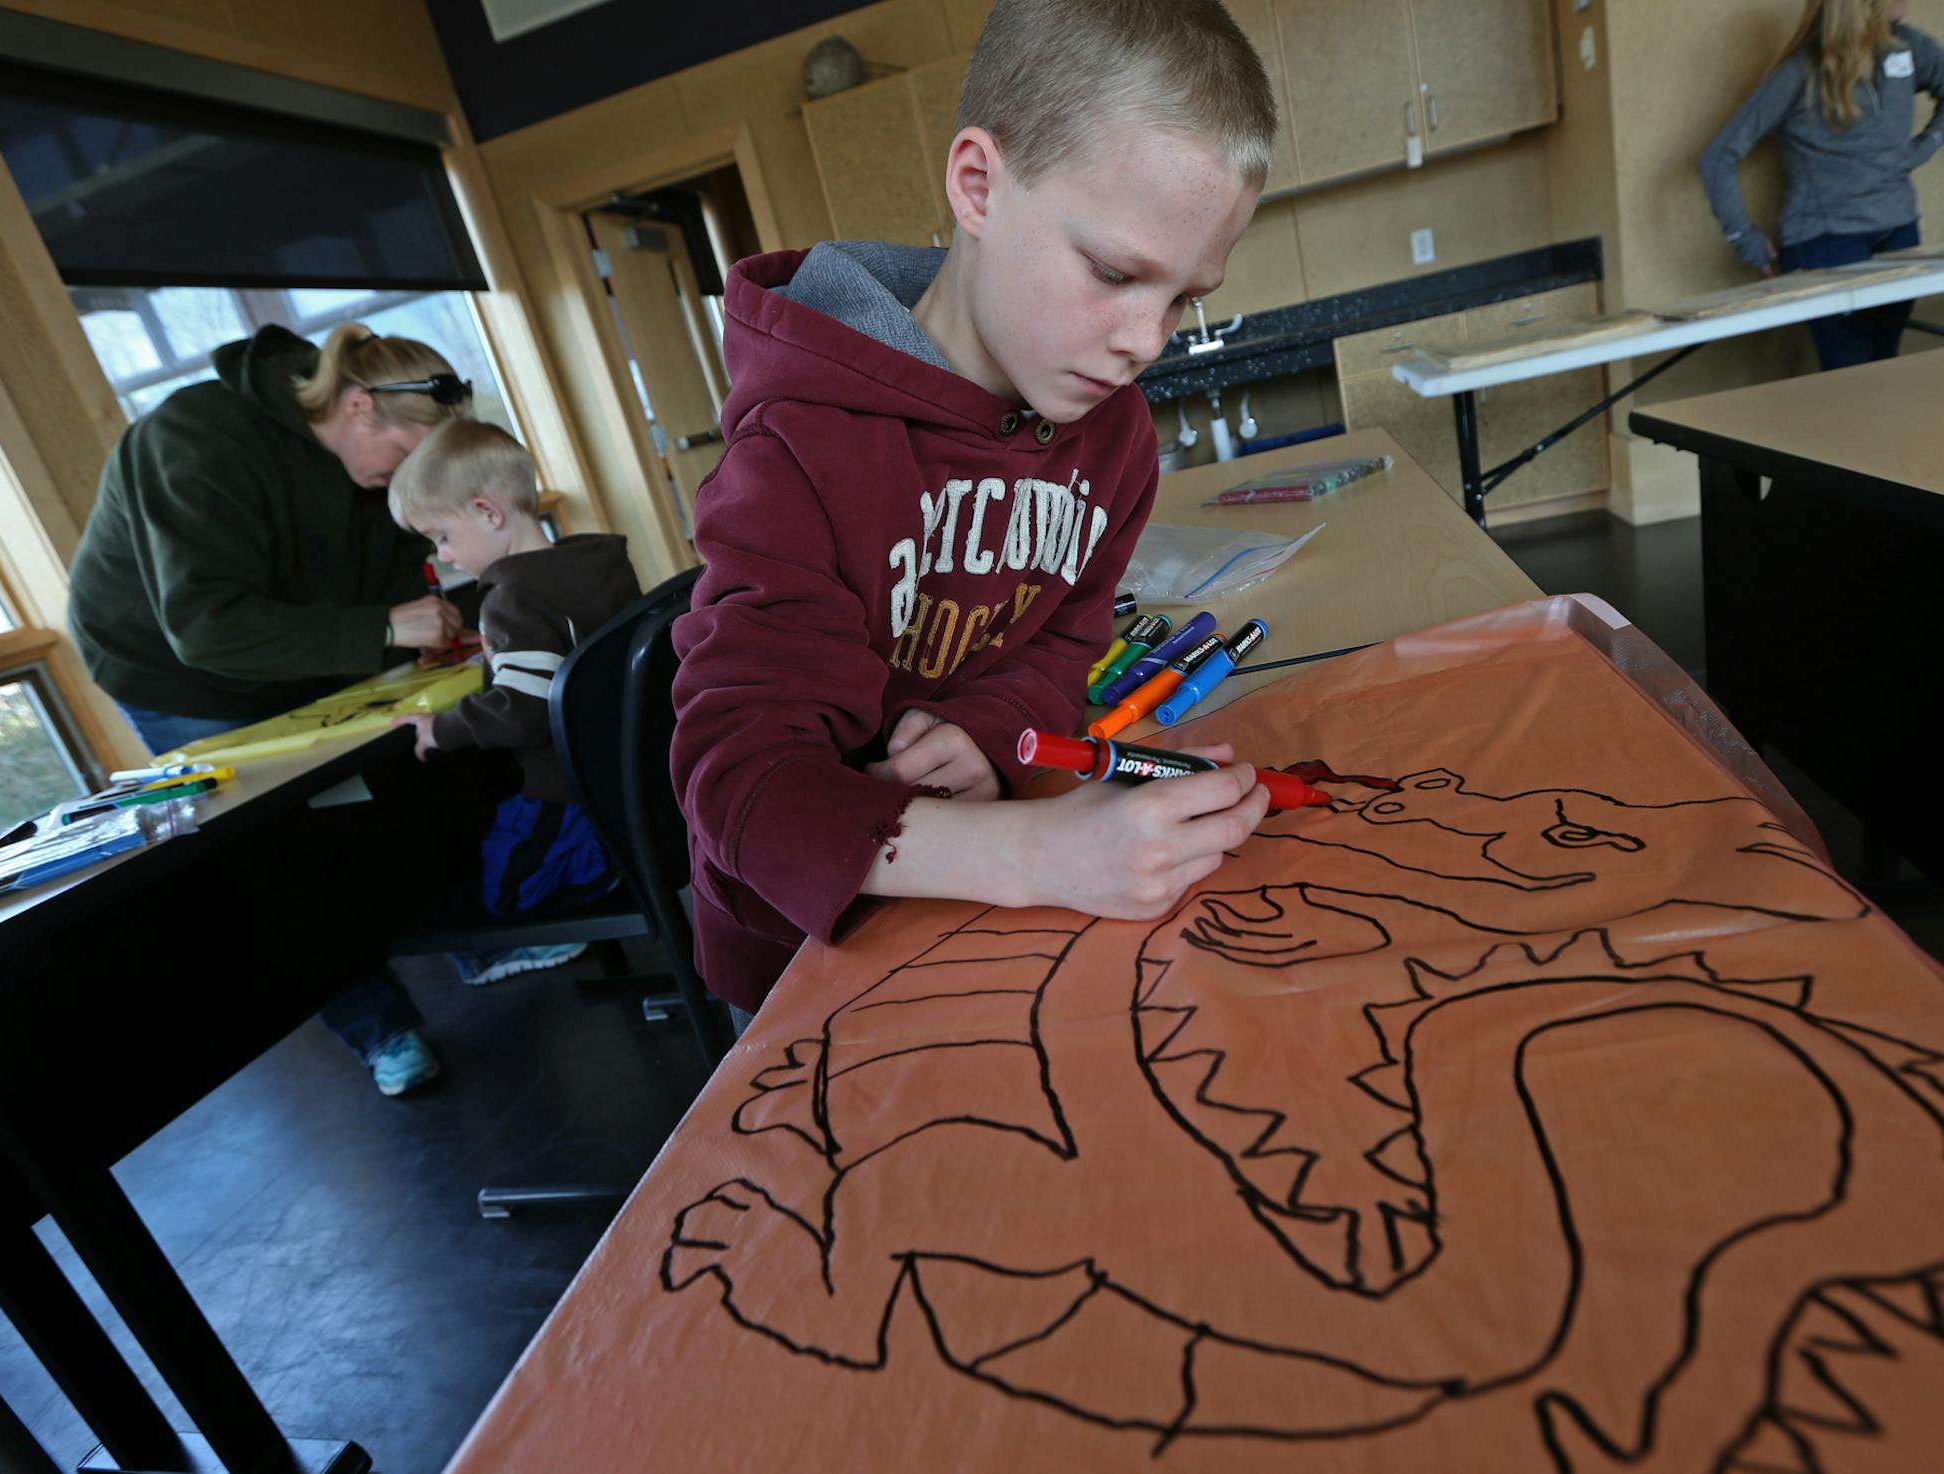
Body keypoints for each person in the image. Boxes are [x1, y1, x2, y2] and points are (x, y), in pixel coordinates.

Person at [670, 0, 1277, 1028]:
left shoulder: (1114, 435)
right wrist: (1045, 852)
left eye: (1183, 297)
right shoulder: (797, 451)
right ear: (978, 186)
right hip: (813, 958)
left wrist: (984, 731)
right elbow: (743, 793)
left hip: (993, 912)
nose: (1145, 341)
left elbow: (1063, 646)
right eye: (1117, 273)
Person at [68, 322, 472, 1095]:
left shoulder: (364, 465)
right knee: (276, 847)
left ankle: (469, 938)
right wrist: (380, 629)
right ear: (359, 409)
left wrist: (409, 620)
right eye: (405, 459)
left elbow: (394, 562)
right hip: (178, 670)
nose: (405, 479)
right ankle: (382, 1030)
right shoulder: (193, 440)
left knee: (383, 788)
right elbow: (207, 627)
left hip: (304, 638)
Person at [388, 419, 641, 983]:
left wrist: (441, 728)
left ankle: (602, 870)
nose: (444, 556)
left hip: (566, 792)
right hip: (633, 776)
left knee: (502, 891)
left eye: (441, 536)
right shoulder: (599, 565)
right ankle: (617, 856)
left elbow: (520, 712)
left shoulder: (509, 600)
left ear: (487, 512)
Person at [1699, 0, 1944, 371]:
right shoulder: (1797, 72)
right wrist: (1744, 238)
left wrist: (1925, 145)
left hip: (1898, 231)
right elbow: (1717, 157)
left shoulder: (1907, 46)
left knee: (1884, 368)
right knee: (1850, 377)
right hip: (1825, 243)